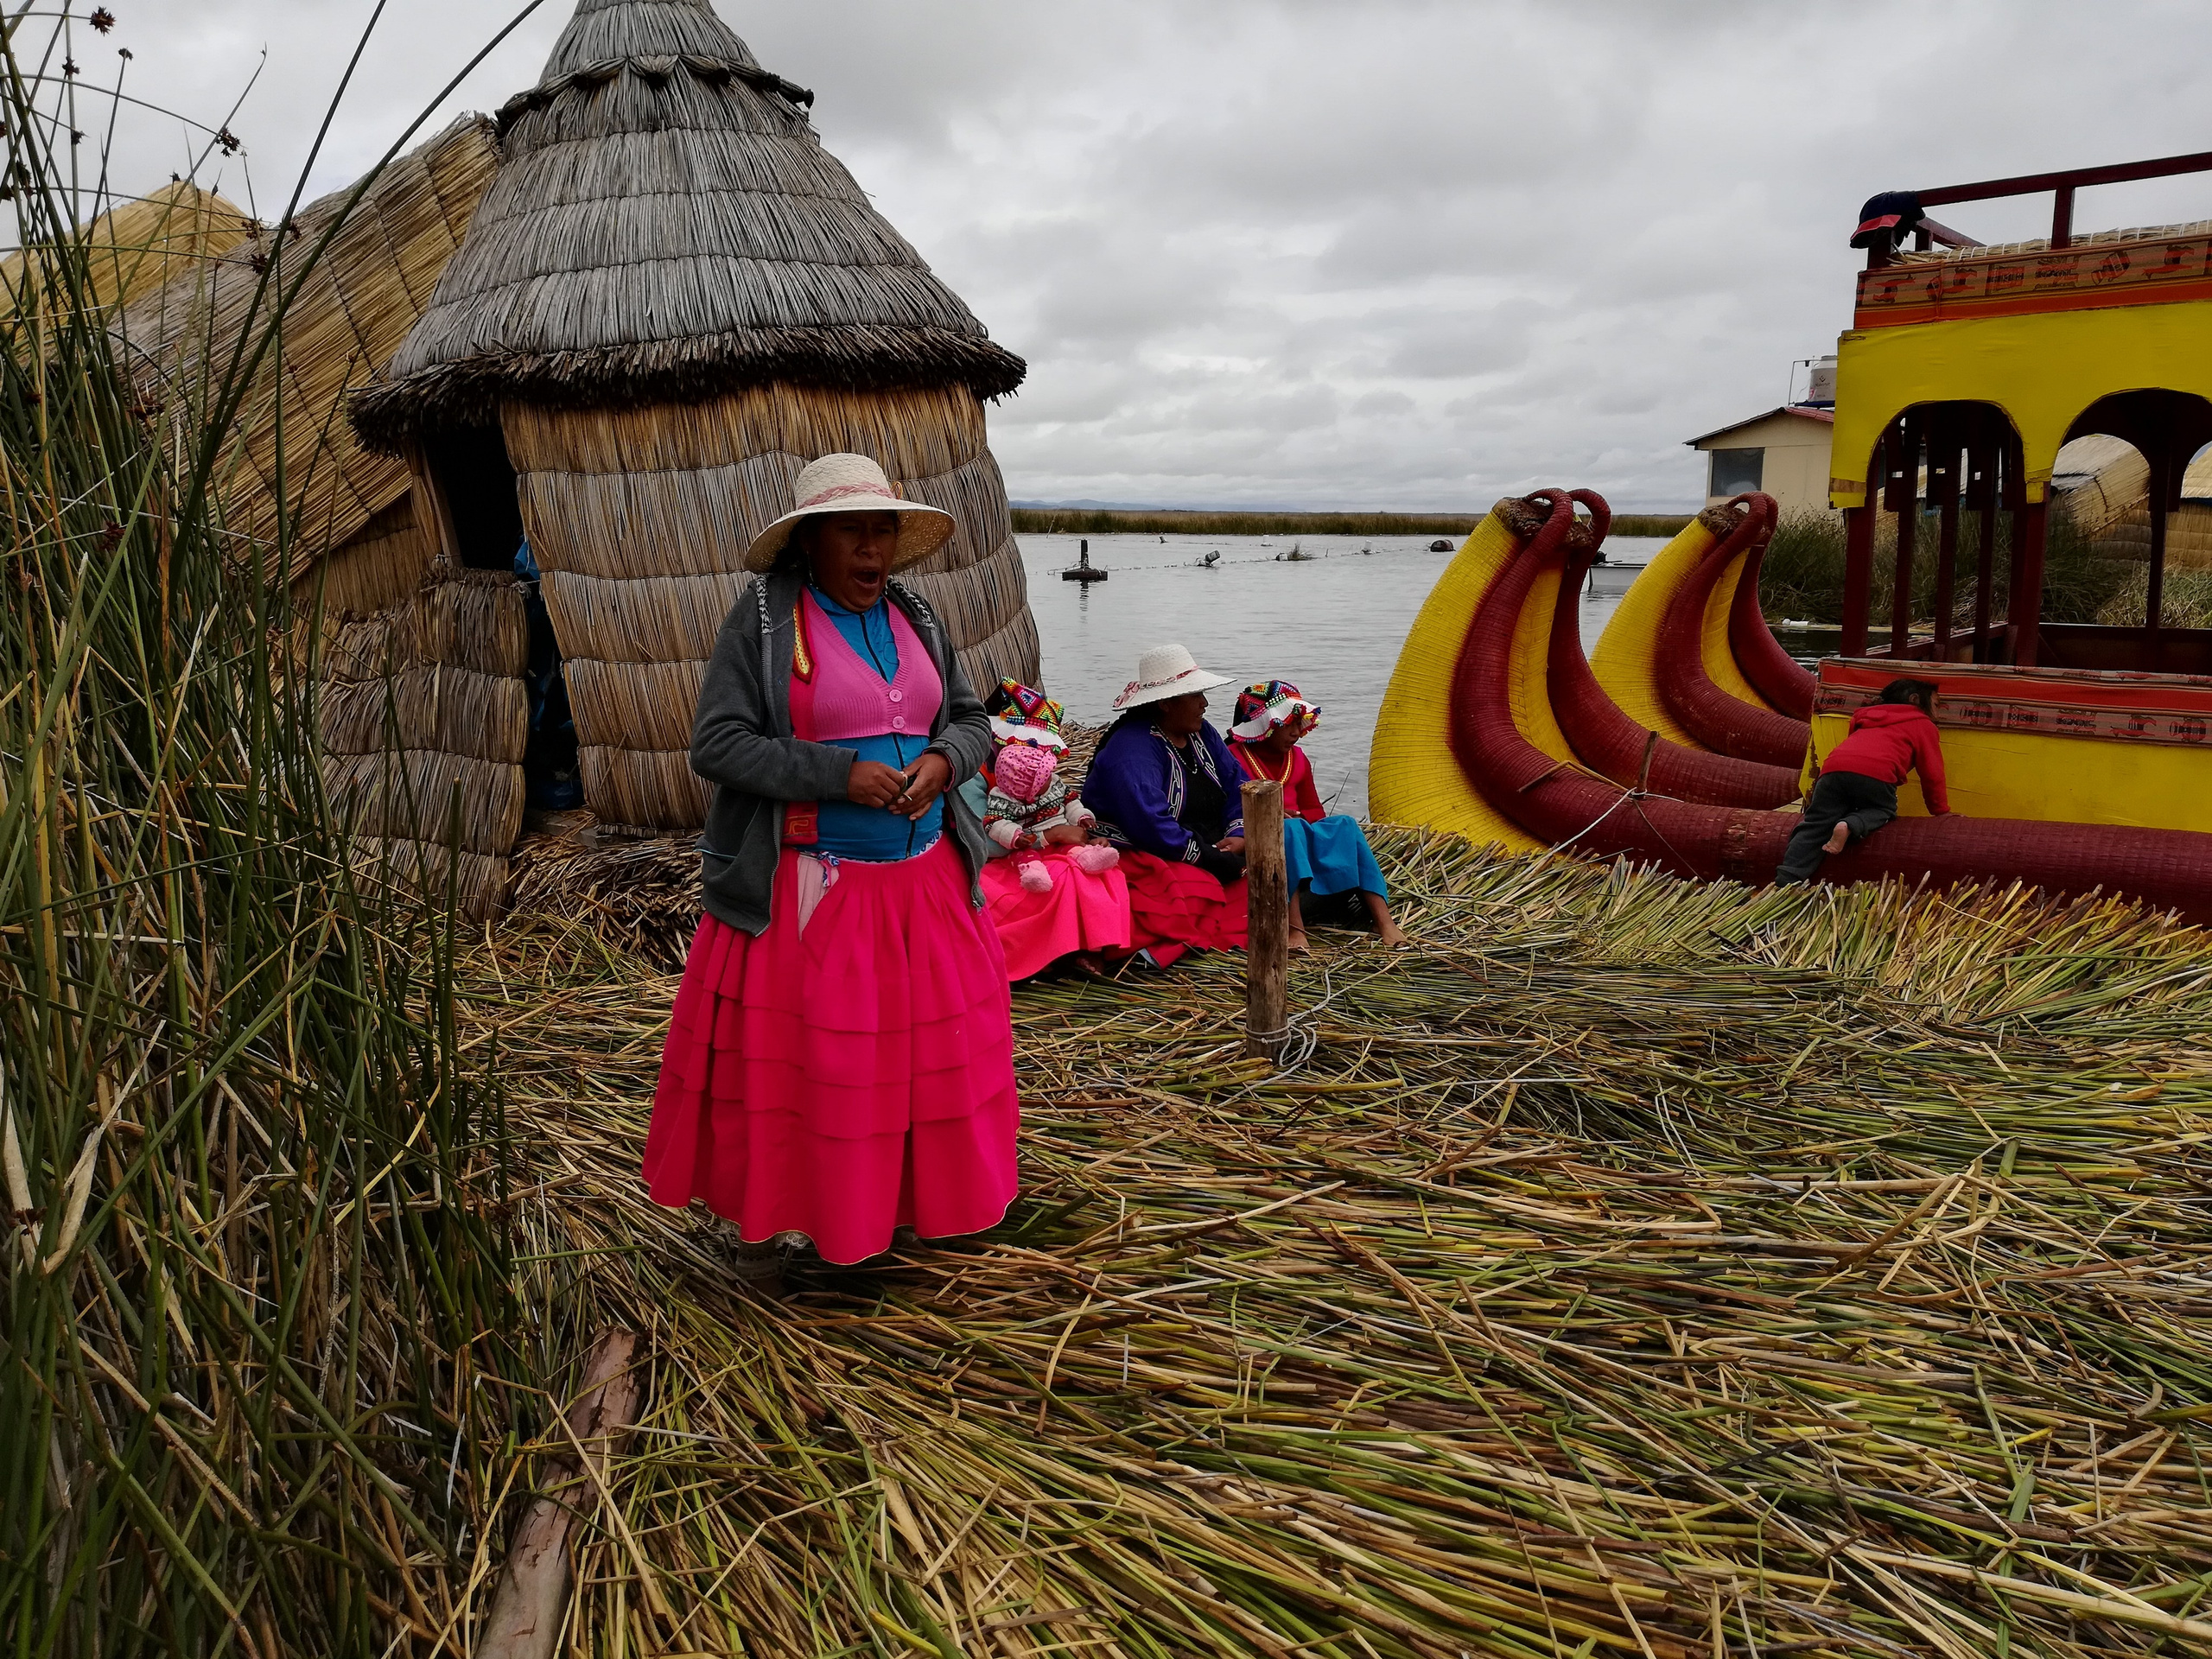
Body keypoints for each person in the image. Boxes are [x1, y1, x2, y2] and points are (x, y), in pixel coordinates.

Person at [641, 453, 1016, 1280]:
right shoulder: (766, 619)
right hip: (814, 889)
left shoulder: (918, 615)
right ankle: (799, 1225)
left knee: (922, 1067)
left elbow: (970, 719)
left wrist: (945, 762)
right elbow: (717, 744)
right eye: (854, 532)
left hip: (925, 888)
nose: (872, 549)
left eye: (883, 531)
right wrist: (836, 774)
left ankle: (911, 1211)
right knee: (823, 1074)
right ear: (811, 541)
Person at [1082, 644, 1249, 966]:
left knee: (1280, 855)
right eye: (1195, 695)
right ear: (1165, 703)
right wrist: (1209, 857)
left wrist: (1238, 833)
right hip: (1139, 849)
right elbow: (1150, 825)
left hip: (1203, 839)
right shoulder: (1131, 750)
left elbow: (1237, 784)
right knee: (1198, 891)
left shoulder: (1201, 733)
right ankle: (1145, 953)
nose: (1204, 703)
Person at [957, 680, 1131, 980]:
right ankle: (1048, 953)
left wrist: (1084, 833)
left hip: (1046, 849)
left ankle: (1088, 946)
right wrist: (1052, 836)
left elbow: (1065, 803)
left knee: (1099, 872)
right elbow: (986, 842)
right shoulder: (973, 772)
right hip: (1000, 860)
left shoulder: (1038, 769)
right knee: (1058, 879)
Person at [1225, 681, 1407, 950]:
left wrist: (1301, 823)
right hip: (1263, 854)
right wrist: (1272, 818)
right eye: (1289, 724)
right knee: (1288, 830)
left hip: (1301, 846)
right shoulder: (1232, 758)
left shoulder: (1297, 758)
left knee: (1344, 824)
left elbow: (1314, 812)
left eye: (1299, 724)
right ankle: (1294, 929)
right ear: (1265, 725)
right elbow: (1228, 810)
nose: (1297, 732)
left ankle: (1383, 921)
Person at [1776, 677, 1948, 886]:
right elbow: (1932, 773)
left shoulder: (1863, 716)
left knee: (1815, 824)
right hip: (1876, 772)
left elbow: (1855, 749)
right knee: (1882, 810)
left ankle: (1787, 880)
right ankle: (1849, 825)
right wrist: (1940, 811)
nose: (1938, 713)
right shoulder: (1923, 724)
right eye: (1936, 705)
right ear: (1915, 699)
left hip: (1833, 769)